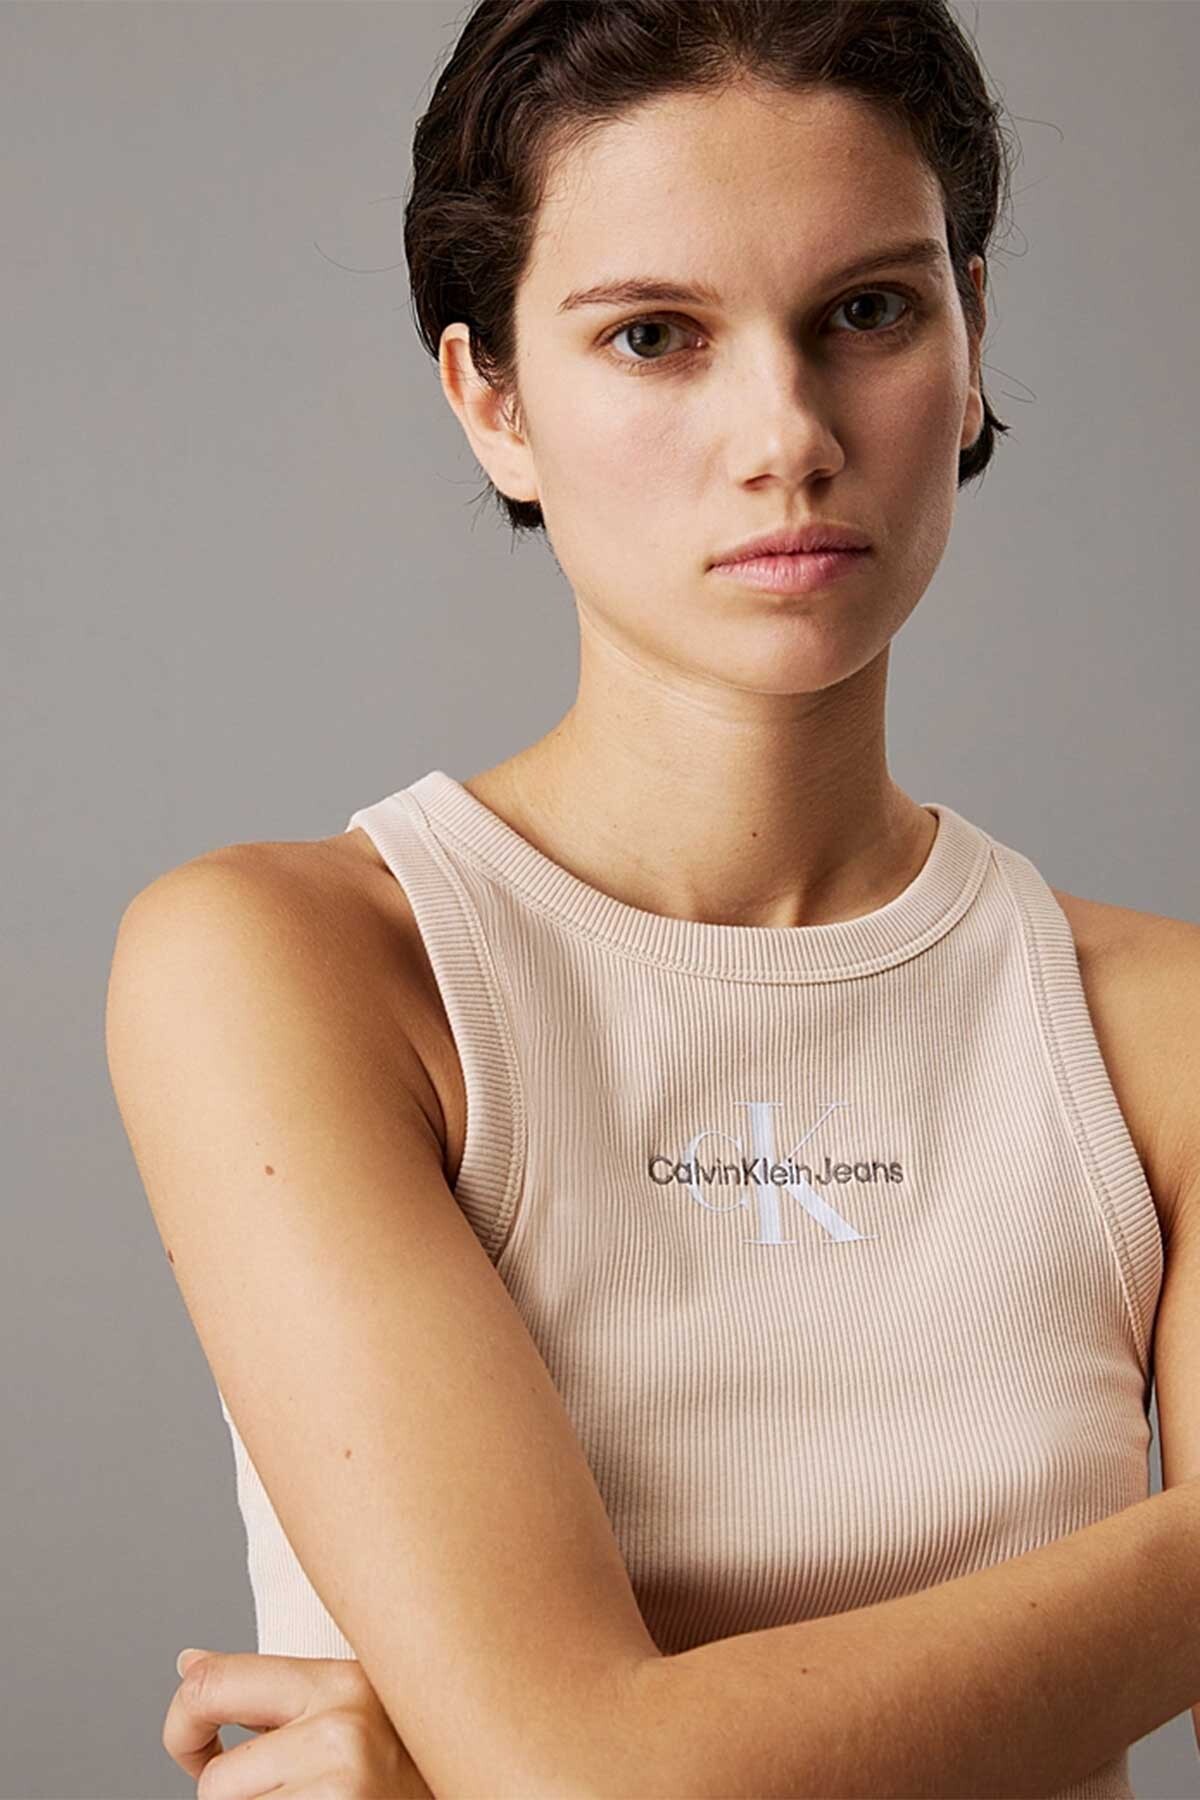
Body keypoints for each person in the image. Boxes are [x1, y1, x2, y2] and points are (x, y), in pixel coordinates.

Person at [121, 4, 1200, 1796]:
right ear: (492, 401)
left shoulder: (1162, 1034)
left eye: (869, 312)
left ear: (973, 338)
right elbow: (593, 1782)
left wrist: (484, 1767)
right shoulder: (300, 967)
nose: (787, 435)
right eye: (652, 335)